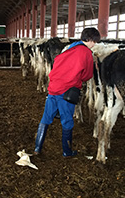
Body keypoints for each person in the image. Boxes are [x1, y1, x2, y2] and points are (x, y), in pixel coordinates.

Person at [34, 27, 101, 157]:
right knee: (67, 121)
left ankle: (37, 148)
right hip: (66, 91)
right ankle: (67, 151)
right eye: (95, 41)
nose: (95, 45)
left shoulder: (69, 48)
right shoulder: (86, 53)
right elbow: (87, 75)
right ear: (91, 39)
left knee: (45, 119)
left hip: (53, 88)